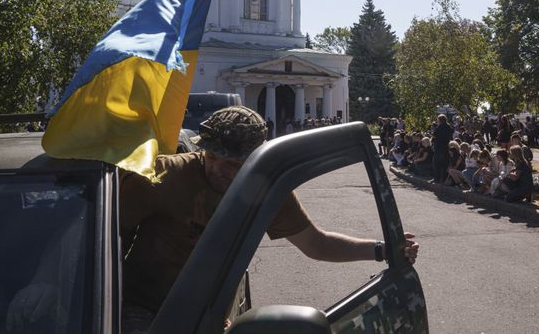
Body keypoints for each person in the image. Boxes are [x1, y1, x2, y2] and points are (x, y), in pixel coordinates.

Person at [118, 106, 420, 327]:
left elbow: (316, 243)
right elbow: (108, 240)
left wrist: (382, 249)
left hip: (208, 315)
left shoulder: (264, 185)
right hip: (144, 310)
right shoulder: (163, 175)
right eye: (212, 157)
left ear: (254, 159)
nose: (219, 169)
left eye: (234, 163)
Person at [432, 114, 454, 184]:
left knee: (436, 164)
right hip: (446, 147)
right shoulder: (449, 127)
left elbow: (434, 135)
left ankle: (437, 179)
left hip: (439, 147)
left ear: (440, 120)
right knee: (445, 164)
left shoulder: (439, 127)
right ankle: (443, 179)